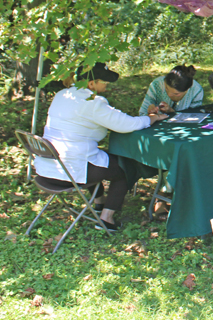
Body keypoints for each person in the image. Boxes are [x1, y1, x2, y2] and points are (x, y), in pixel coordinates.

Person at [33, 63, 167, 232]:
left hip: (47, 167)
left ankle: (99, 202)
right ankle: (106, 218)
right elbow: (125, 124)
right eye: (103, 81)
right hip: (70, 170)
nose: (106, 85)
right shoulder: (92, 102)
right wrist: (151, 118)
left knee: (95, 158)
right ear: (91, 84)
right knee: (126, 167)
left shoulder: (63, 95)